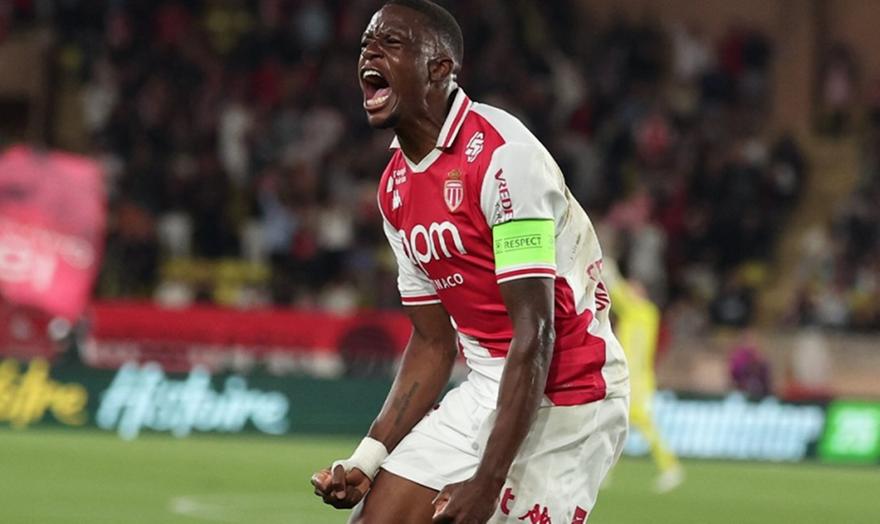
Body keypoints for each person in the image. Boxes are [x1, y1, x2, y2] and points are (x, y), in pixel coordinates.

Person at [311, 1, 629, 522]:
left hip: (571, 393)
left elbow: (537, 332)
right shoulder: (395, 188)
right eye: (366, 43)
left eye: (391, 43)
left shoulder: (505, 157)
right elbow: (433, 341)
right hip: (487, 387)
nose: (369, 52)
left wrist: (488, 480)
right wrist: (367, 459)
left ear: (439, 68)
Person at [604, 260, 684, 493]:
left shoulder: (645, 312)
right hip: (629, 376)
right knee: (616, 423)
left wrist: (610, 272)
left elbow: (618, 293)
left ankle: (671, 467)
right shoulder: (636, 313)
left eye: (634, 288)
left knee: (636, 422)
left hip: (638, 379)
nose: (630, 291)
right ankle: (607, 471)